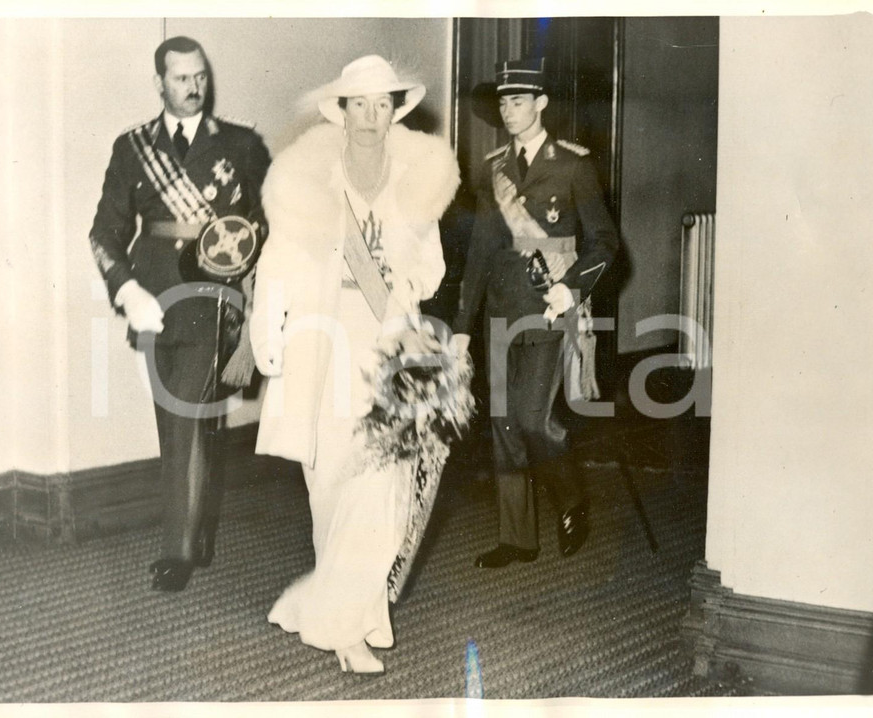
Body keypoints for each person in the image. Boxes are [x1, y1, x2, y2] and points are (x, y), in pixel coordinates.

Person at [250, 55, 460, 674]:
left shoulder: (412, 182)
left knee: (384, 485)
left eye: (381, 104)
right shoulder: (309, 183)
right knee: (332, 484)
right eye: (358, 104)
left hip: (386, 344)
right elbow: (277, 261)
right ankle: (344, 612)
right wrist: (268, 327)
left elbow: (433, 264)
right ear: (340, 113)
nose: (370, 117)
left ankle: (344, 627)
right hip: (322, 340)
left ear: (395, 111)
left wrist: (405, 282)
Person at [89, 36, 271, 592]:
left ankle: (180, 549)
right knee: (177, 421)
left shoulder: (240, 145)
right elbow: (105, 232)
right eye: (181, 78)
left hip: (213, 296)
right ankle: (198, 527)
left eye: (200, 77)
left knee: (187, 417)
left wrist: (249, 286)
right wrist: (125, 291)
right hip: (153, 300)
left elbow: (267, 222)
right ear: (159, 83)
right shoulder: (132, 147)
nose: (194, 88)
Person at [453, 58, 619, 569]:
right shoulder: (492, 168)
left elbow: (605, 242)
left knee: (532, 418)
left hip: (549, 309)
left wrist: (570, 290)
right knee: (503, 425)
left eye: (518, 100)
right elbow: (481, 250)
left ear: (542, 103)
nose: (508, 110)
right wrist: (462, 327)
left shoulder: (573, 163)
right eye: (503, 101)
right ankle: (517, 537)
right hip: (502, 310)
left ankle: (571, 500)